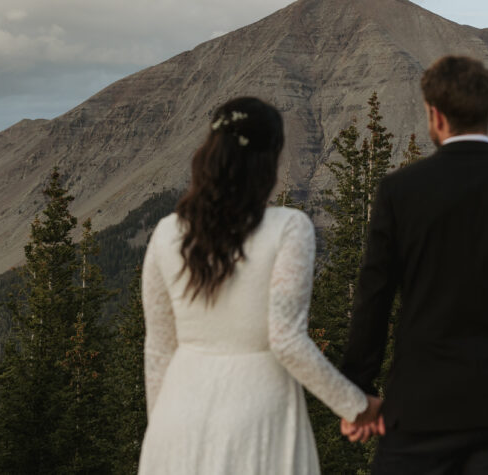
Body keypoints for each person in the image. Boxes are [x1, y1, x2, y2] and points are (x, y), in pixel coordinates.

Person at [339, 55, 488, 474]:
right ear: (487, 113)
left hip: (419, 404)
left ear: (435, 116)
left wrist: (355, 396)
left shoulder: (400, 192)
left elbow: (372, 302)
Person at [138, 97, 381, 474]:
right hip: (258, 414)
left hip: (177, 415)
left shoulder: (166, 234)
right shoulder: (289, 228)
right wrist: (356, 406)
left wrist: (162, 433)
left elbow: (158, 351)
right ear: (268, 160)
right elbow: (286, 340)